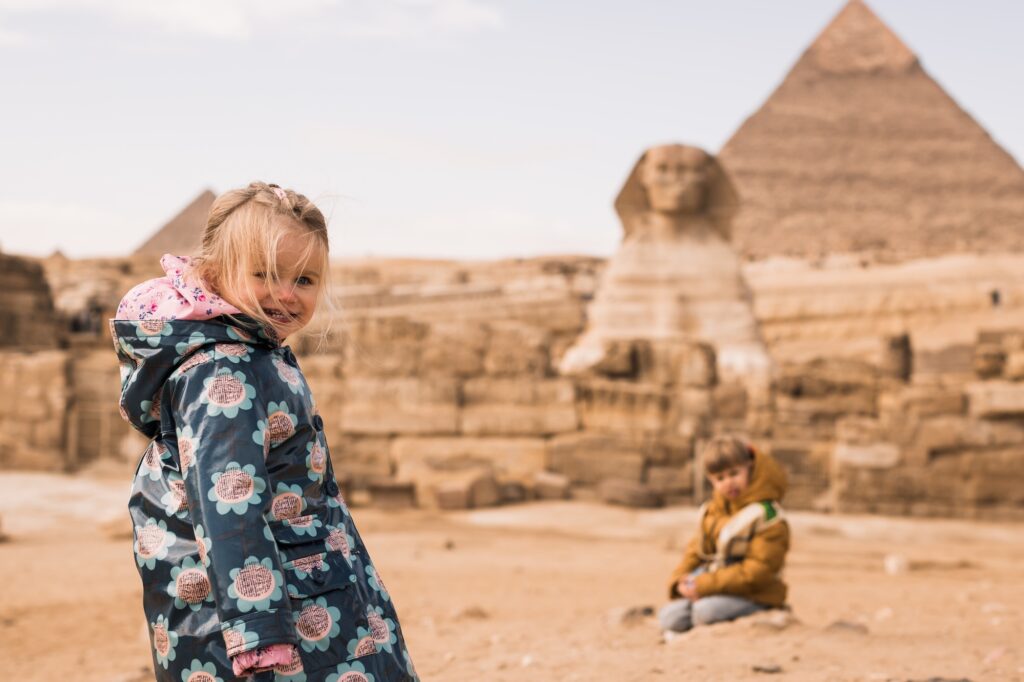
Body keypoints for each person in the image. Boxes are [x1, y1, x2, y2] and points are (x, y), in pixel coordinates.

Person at [112, 182, 418, 682]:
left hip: (296, 591)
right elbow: (228, 504)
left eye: (305, 280)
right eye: (266, 274)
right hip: (267, 622)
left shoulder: (254, 351)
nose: (286, 293)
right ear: (213, 272)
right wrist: (258, 631)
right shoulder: (223, 372)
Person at [659, 435, 790, 634]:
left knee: (705, 612)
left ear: (750, 468)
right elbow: (694, 552)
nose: (728, 483)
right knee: (670, 616)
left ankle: (766, 610)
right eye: (720, 478)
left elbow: (758, 571)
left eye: (734, 473)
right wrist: (680, 582)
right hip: (715, 585)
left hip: (756, 592)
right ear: (711, 481)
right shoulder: (714, 510)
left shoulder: (767, 515)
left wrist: (704, 585)